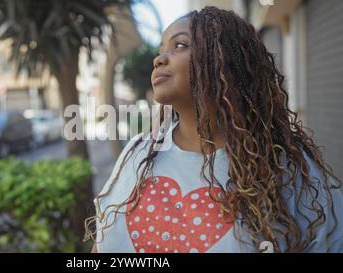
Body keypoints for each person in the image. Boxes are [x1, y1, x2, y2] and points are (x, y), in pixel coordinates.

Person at [84, 6, 343, 253]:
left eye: (180, 45)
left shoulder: (287, 169)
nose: (159, 59)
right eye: (161, 48)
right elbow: (103, 243)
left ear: (224, 62)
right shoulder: (138, 153)